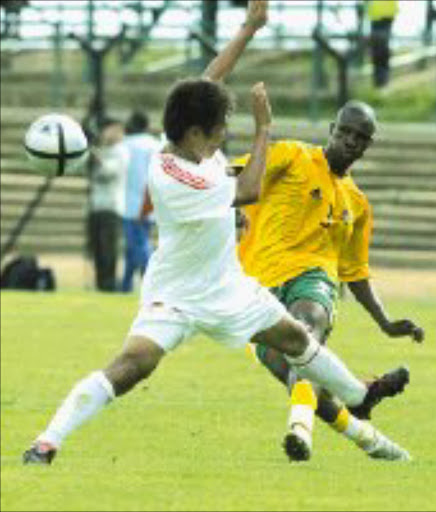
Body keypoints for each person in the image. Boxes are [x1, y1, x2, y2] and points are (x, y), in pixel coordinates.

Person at [23, 1, 409, 466]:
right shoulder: (186, 178)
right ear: (194, 134)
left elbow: (208, 83)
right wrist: (264, 128)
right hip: (178, 294)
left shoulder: (180, 146)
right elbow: (247, 190)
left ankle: (359, 394)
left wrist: (249, 27)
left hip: (226, 286)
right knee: (131, 367)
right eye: (220, 129)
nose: (226, 135)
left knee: (297, 339)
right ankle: (47, 442)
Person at [234, 99, 424, 462]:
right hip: (254, 288)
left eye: (360, 137)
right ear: (332, 131)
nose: (350, 141)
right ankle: (369, 422)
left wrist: (385, 323)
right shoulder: (292, 156)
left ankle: (299, 431)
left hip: (313, 279)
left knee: (304, 335)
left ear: (368, 145)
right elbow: (237, 173)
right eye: (345, 132)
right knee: (301, 372)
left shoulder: (358, 203)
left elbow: (355, 272)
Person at [121, 110, 162, 292]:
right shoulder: (155, 145)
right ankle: (125, 284)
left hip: (129, 204)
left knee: (138, 244)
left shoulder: (125, 144)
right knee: (134, 245)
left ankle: (151, 282)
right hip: (150, 202)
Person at [87, 117, 129, 292]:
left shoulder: (121, 151)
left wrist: (91, 153)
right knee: (96, 249)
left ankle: (109, 284)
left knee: (108, 249)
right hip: (95, 206)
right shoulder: (103, 150)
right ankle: (100, 284)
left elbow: (108, 171)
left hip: (111, 207)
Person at [365, 0, 398, 88]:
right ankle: (380, 80)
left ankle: (382, 79)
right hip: (377, 15)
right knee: (378, 48)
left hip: (384, 15)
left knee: (381, 48)